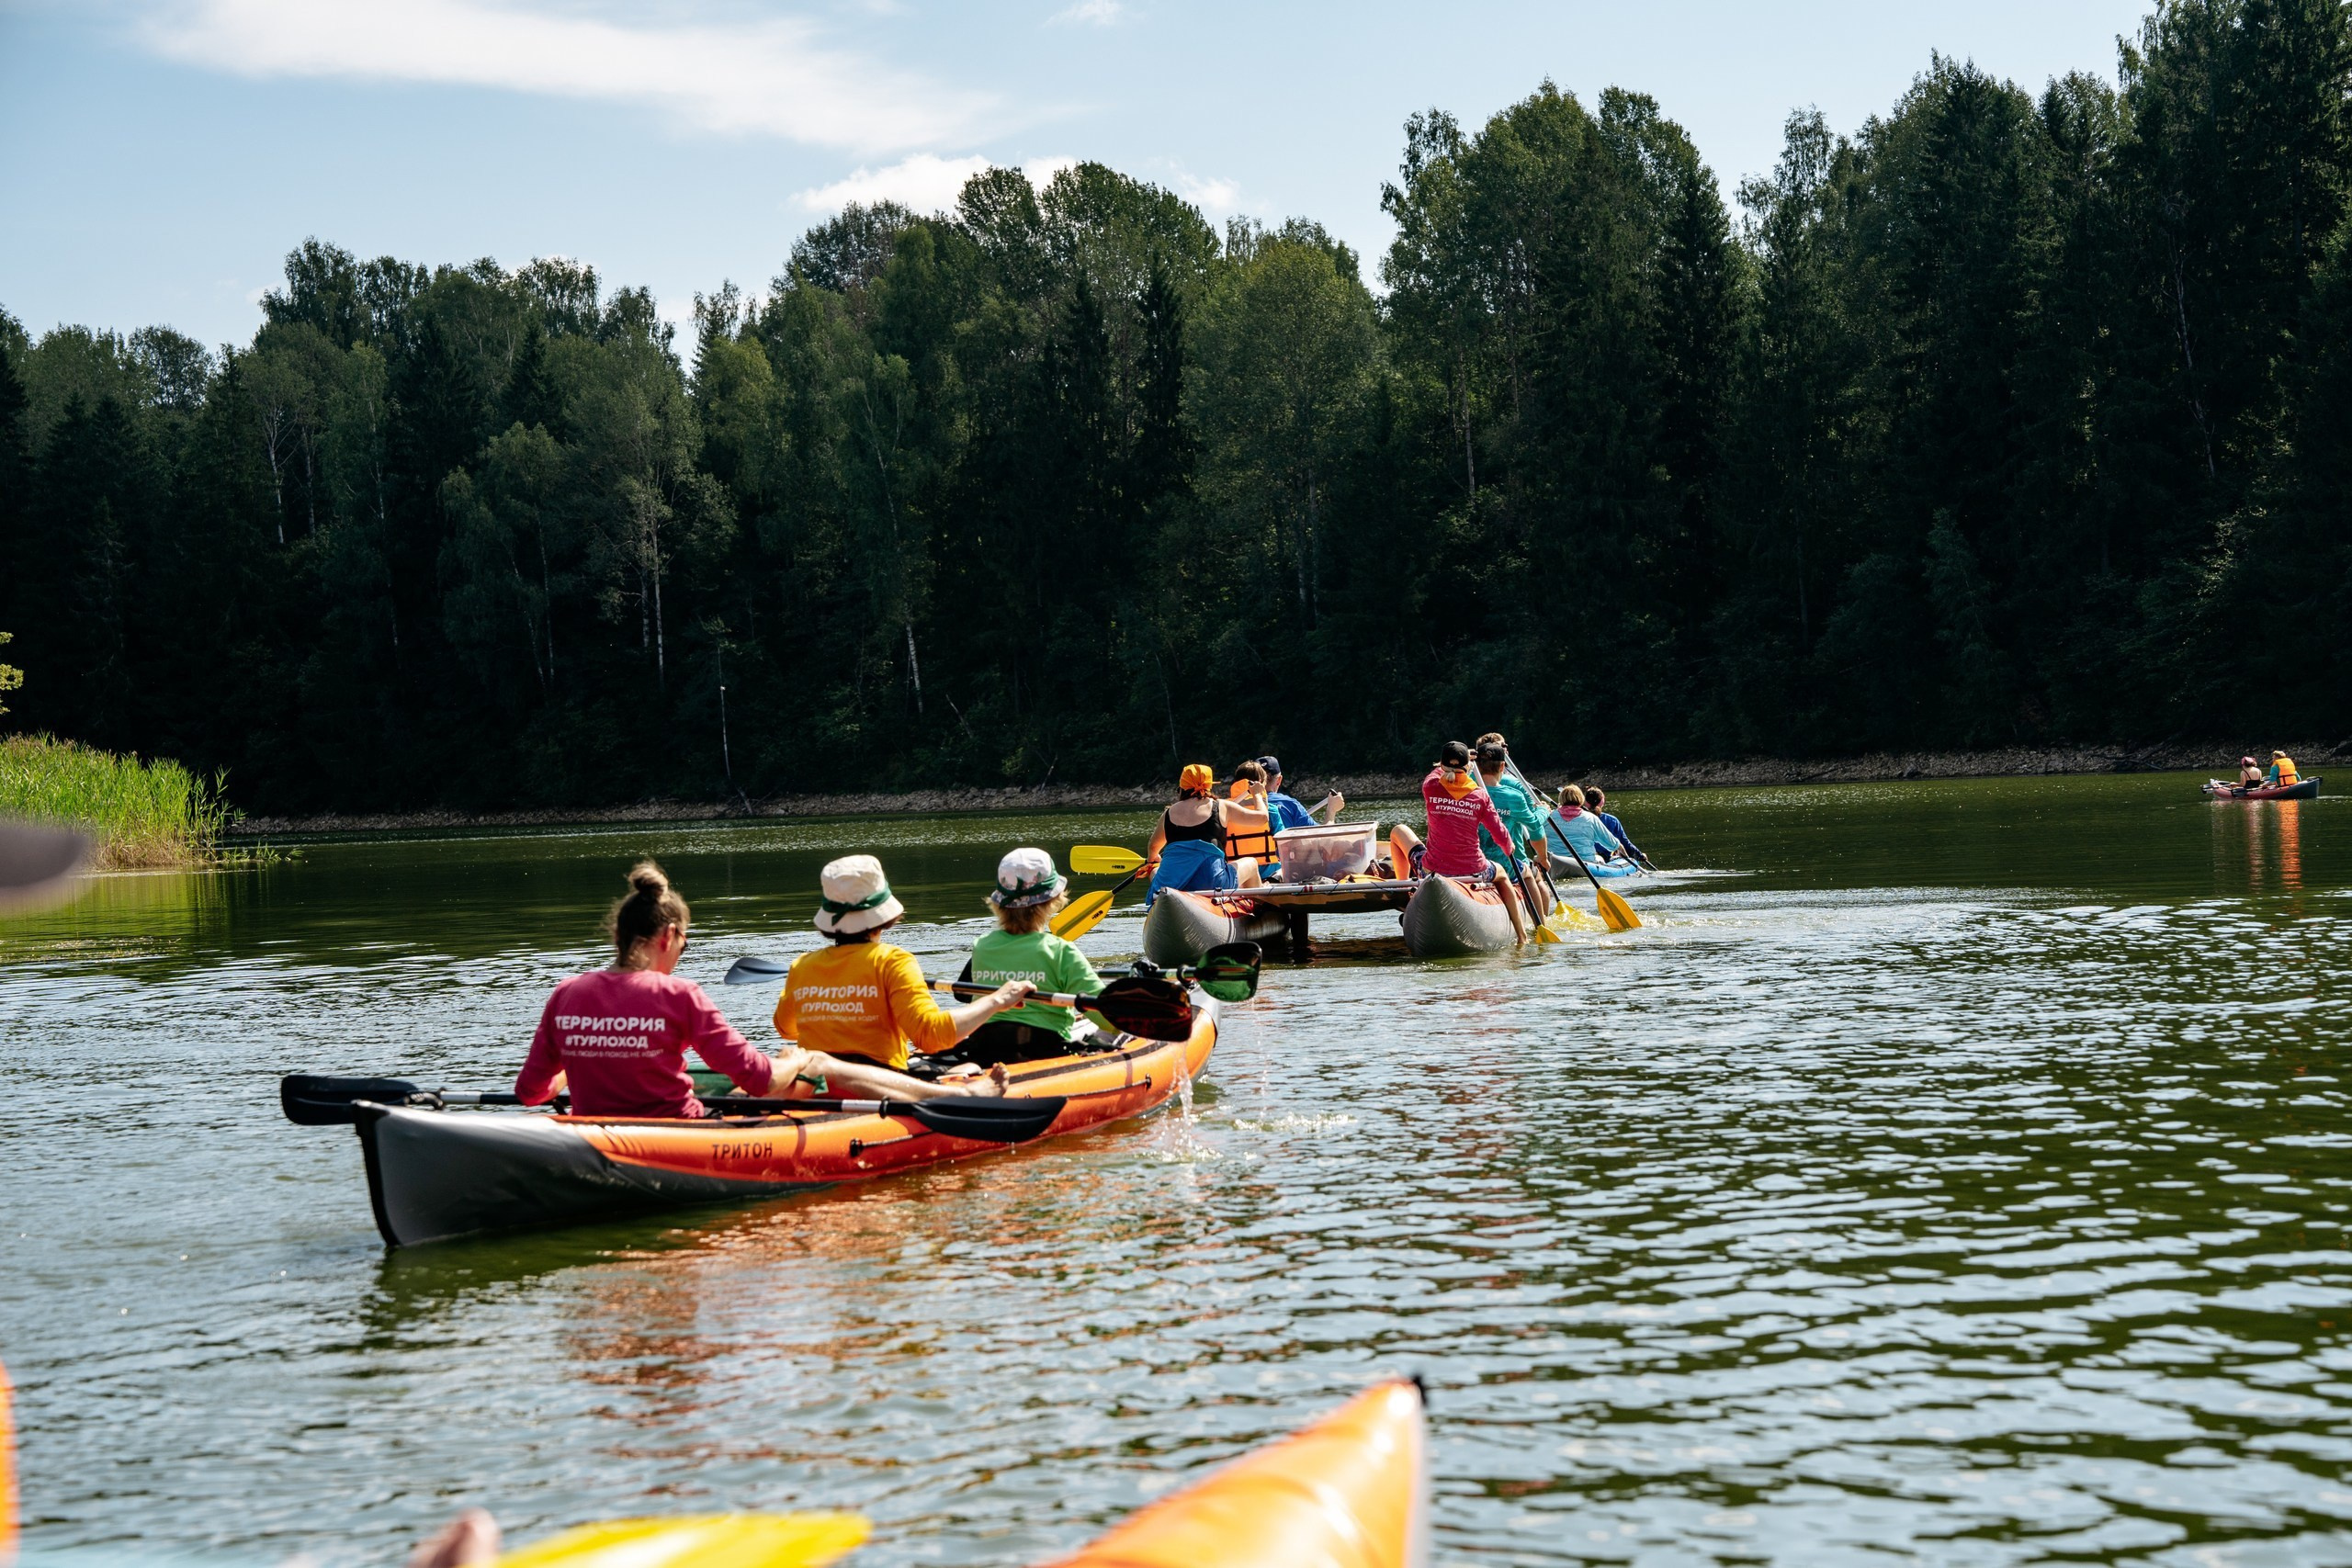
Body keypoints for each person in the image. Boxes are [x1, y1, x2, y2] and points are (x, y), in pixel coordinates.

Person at [516, 862, 1005, 1121]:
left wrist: (581, 1070)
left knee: (799, 1057)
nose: (681, 954)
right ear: (667, 938)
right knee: (816, 1061)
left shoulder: (566, 993)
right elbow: (758, 1080)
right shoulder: (679, 995)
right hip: (681, 1130)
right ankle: (963, 1098)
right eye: (684, 943)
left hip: (595, 1122)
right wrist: (797, 1058)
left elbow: (531, 1092)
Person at [772, 854, 1034, 1087]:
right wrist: (998, 999)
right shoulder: (893, 961)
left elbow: (787, 1030)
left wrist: (829, 1007)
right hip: (879, 1086)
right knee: (964, 1066)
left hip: (814, 1086)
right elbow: (931, 1037)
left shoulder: (803, 965)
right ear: (884, 914)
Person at [954, 848, 1110, 1066]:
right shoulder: (1060, 951)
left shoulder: (982, 946)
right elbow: (1106, 1017)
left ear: (999, 902)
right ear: (1055, 899)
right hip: (1045, 1053)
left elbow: (962, 995)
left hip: (985, 1052)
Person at [1385, 740, 1528, 940]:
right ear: (1469, 767)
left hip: (1433, 868)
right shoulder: (1480, 795)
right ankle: (1522, 935)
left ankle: (1406, 891)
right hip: (1474, 870)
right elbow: (1500, 834)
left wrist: (1458, 759)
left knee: (1398, 831)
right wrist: (1509, 847)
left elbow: (1437, 772)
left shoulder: (1431, 786)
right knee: (1503, 875)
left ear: (1442, 765)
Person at [1145, 764, 1268, 904]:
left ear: (1182, 787)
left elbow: (1153, 846)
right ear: (1209, 786)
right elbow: (1262, 818)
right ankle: (1260, 911)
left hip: (1171, 883)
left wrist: (1152, 859)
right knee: (1251, 863)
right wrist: (1258, 794)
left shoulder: (1168, 813)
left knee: (1154, 869)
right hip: (1211, 882)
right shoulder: (1221, 806)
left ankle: (1161, 903)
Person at [1545, 784, 1627, 867]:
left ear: (1561, 799)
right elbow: (1611, 842)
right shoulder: (1591, 818)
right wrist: (1621, 849)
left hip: (1554, 863)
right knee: (1600, 859)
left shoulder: (1548, 817)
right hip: (1585, 864)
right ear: (1581, 799)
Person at [1256, 756, 1344, 831]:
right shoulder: (1290, 804)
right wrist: (1331, 810)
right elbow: (1323, 838)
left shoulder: (1242, 805)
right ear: (1279, 780)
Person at [1584, 786, 1646, 866]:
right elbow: (1625, 844)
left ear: (1585, 802)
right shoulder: (1612, 820)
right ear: (1602, 803)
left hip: (1580, 857)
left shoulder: (1578, 818)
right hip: (1603, 859)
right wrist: (1640, 856)